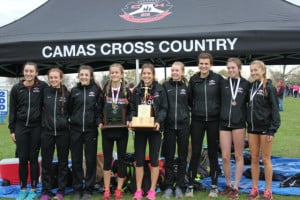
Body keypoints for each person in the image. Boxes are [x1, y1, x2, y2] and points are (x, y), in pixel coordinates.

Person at [8, 62, 48, 200]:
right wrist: (12, 130)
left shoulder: (42, 87)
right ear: (23, 72)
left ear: (36, 72)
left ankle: (33, 189)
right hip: (20, 127)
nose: (29, 73)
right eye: (27, 71)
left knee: (33, 158)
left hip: (36, 127)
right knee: (23, 159)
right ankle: (23, 188)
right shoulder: (16, 88)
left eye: (32, 71)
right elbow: (12, 111)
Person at [128, 62, 168, 200]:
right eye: (144, 73)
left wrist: (158, 121)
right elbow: (132, 108)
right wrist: (131, 119)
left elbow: (164, 109)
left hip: (154, 129)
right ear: (141, 75)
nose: (146, 75)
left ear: (153, 75)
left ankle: (152, 190)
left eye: (149, 73)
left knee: (154, 160)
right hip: (140, 130)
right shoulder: (137, 90)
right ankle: (138, 190)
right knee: (139, 160)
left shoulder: (160, 89)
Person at [186, 52, 223, 198]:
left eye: (206, 63)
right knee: (195, 153)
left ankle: (214, 186)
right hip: (197, 121)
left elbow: (222, 98)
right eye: (201, 63)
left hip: (214, 121)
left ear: (211, 64)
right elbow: (189, 100)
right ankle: (190, 185)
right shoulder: (193, 80)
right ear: (198, 64)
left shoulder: (218, 79)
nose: (203, 66)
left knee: (213, 153)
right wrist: (196, 109)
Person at [246, 60, 280, 200]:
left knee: (265, 159)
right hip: (252, 129)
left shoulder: (269, 87)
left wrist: (272, 129)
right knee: (254, 158)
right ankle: (254, 188)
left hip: (266, 129)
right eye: (252, 70)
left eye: (256, 70)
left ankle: (268, 190)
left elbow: (275, 110)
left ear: (263, 71)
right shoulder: (251, 86)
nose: (253, 73)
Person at [69, 65, 103, 200]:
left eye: (86, 75)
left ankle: (88, 189)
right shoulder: (74, 91)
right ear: (78, 76)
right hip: (75, 130)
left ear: (90, 76)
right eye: (81, 74)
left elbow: (99, 109)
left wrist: (98, 122)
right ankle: (77, 189)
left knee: (90, 161)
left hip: (90, 131)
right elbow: (70, 110)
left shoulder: (96, 90)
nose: (83, 77)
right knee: (76, 160)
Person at [98, 63, 130, 200]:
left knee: (121, 160)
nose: (114, 75)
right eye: (112, 73)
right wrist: (99, 121)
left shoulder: (127, 91)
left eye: (117, 72)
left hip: (122, 130)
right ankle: (106, 190)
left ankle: (118, 190)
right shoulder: (104, 90)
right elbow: (98, 108)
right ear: (110, 74)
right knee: (107, 160)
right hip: (107, 131)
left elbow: (132, 109)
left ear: (121, 74)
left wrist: (129, 119)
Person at [219, 58, 250, 199]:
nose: (231, 70)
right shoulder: (223, 83)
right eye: (229, 68)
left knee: (238, 155)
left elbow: (251, 105)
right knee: (225, 156)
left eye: (233, 68)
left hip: (239, 124)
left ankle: (236, 186)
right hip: (224, 123)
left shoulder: (246, 84)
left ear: (239, 68)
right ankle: (228, 184)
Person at [40, 68, 70, 200]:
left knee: (63, 163)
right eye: (51, 77)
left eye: (55, 77)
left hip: (63, 133)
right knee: (46, 163)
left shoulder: (67, 93)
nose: (53, 79)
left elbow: (72, 111)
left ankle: (61, 191)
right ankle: (46, 191)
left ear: (61, 78)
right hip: (47, 132)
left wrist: (65, 122)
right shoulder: (44, 92)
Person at [161, 61, 190, 199]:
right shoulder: (165, 86)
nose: (174, 73)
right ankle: (168, 186)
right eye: (173, 70)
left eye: (177, 70)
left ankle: (179, 186)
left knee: (183, 157)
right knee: (169, 158)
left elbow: (192, 104)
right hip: (169, 127)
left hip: (184, 126)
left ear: (182, 72)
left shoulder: (187, 87)